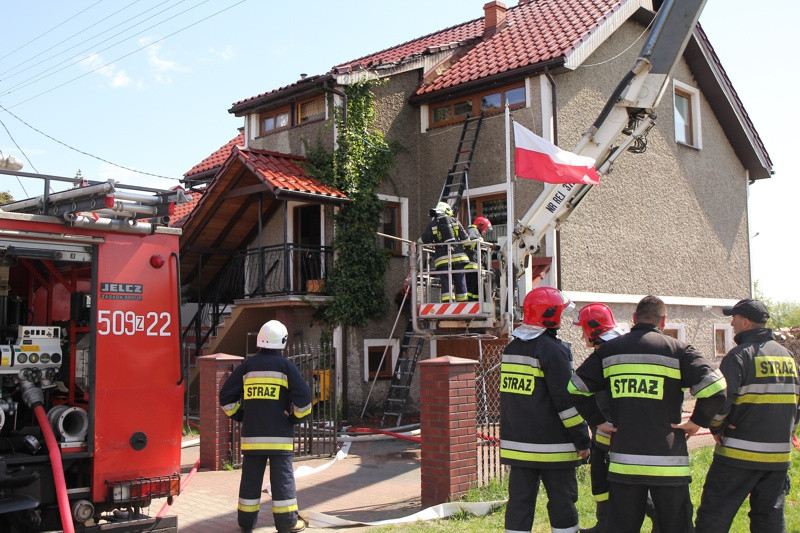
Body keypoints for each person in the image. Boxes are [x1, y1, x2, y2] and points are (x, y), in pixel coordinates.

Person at [568, 295, 726, 533]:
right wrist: (696, 422)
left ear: (633, 318)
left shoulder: (609, 351)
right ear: (663, 321)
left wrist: (599, 422)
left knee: (622, 527)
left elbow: (574, 389)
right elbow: (716, 389)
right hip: (669, 463)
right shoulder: (679, 350)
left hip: (625, 463)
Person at [695, 298, 800, 533]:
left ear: (746, 322)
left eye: (734, 318)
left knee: (714, 516)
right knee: (769, 520)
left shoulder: (739, 356)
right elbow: (796, 404)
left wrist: (717, 428)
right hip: (778, 458)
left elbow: (721, 400)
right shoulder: (788, 357)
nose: (731, 323)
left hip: (738, 455)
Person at [500, 286, 591, 533]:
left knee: (519, 504)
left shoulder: (511, 350)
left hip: (518, 448)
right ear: (549, 315)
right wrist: (583, 440)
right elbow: (566, 403)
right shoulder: (554, 351)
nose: (561, 319)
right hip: (555, 449)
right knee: (562, 503)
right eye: (560, 313)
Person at [219, 320, 312, 533]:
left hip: (252, 438)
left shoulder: (246, 367)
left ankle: (246, 523)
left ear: (260, 341)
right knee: (282, 481)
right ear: (282, 342)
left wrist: (241, 415)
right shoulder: (286, 367)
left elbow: (225, 398)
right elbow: (305, 399)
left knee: (250, 481)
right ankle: (287, 524)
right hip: (279, 438)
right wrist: (293, 420)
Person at [420, 201, 470, 302]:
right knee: (460, 280)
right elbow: (466, 240)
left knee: (446, 281)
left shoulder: (432, 224)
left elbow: (425, 239)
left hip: (442, 259)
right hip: (459, 257)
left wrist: (417, 242)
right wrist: (468, 249)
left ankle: (447, 301)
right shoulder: (455, 221)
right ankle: (463, 302)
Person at [464, 216, 492, 301]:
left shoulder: (476, 232)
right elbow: (472, 242)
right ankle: (470, 301)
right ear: (481, 225)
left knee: (476, 289)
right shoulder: (473, 230)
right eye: (485, 228)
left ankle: (475, 301)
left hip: (475, 266)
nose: (485, 231)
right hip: (471, 266)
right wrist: (481, 243)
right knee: (471, 287)